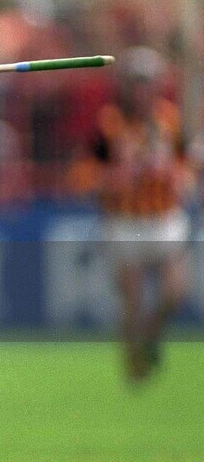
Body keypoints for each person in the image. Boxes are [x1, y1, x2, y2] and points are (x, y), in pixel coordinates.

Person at [88, 47, 196, 381]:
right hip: (125, 221)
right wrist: (119, 177)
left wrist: (180, 177)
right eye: (136, 83)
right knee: (132, 300)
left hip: (164, 218)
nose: (142, 90)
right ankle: (133, 359)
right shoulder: (110, 123)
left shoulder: (169, 120)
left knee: (175, 292)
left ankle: (151, 333)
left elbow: (184, 167)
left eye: (148, 82)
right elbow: (91, 173)